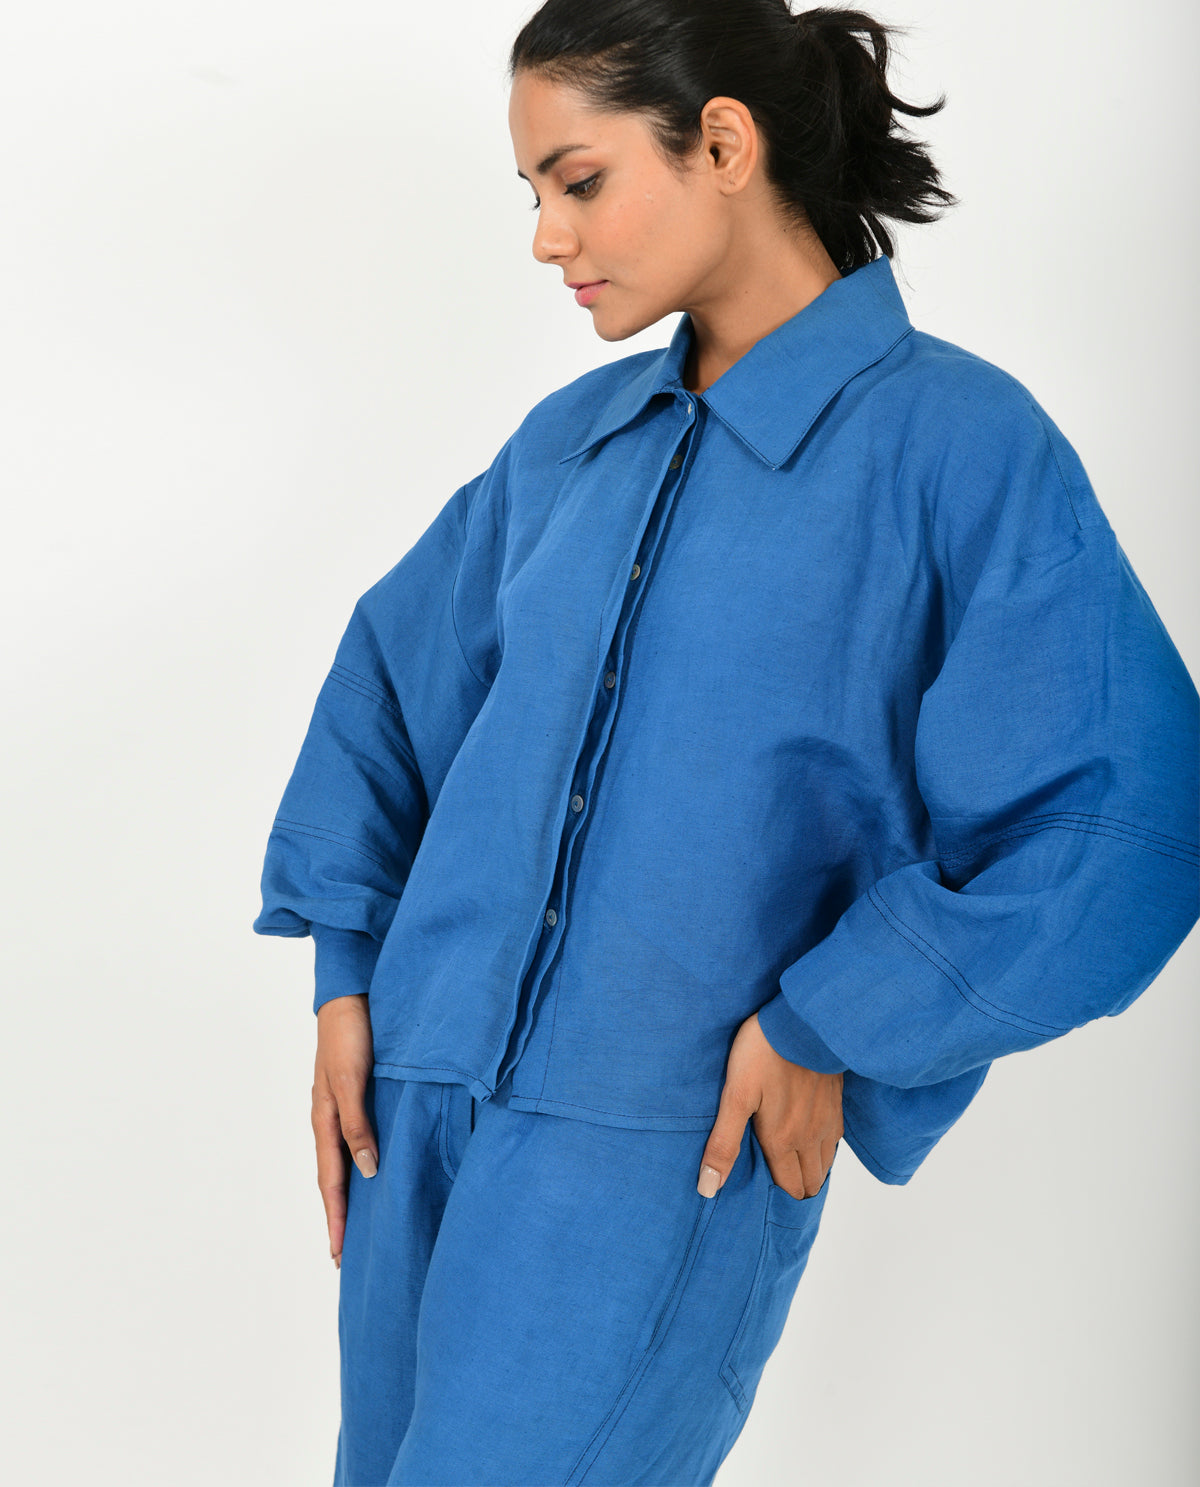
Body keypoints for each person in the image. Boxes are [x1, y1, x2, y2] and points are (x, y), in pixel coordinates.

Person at [251, 3, 1199, 1483]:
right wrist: (346, 976)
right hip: (413, 1112)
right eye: (534, 194)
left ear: (724, 143)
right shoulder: (565, 445)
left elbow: (1124, 823)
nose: (549, 240)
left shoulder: (959, 446)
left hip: (658, 1148)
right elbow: (391, 687)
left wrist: (837, 1018)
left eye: (580, 181)